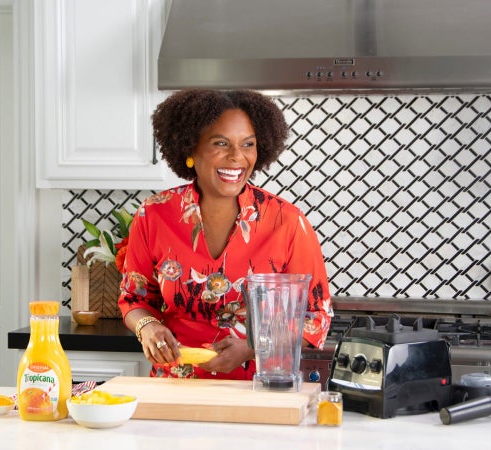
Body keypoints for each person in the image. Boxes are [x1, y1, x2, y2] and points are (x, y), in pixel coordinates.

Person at [118, 88, 333, 379]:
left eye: (248, 144)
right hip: (175, 386)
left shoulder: (287, 221)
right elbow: (135, 298)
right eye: (221, 143)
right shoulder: (154, 214)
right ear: (190, 148)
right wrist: (148, 327)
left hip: (258, 387)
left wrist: (252, 348)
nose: (237, 157)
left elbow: (316, 316)